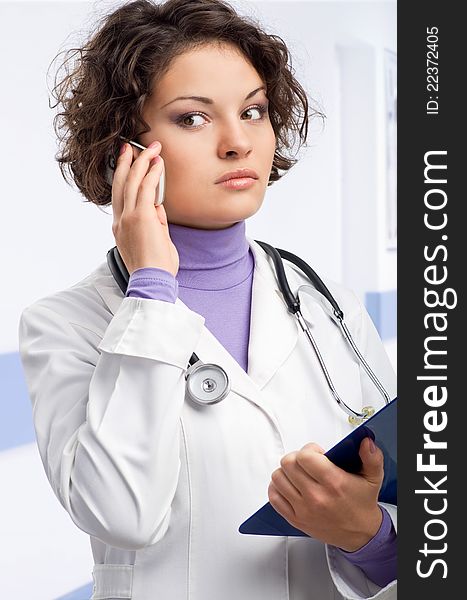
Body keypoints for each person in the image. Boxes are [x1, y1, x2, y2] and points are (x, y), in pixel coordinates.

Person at [18, 1, 397, 599]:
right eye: (193, 119)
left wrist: (369, 536)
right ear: (126, 147)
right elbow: (122, 515)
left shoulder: (332, 308)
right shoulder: (65, 325)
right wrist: (151, 292)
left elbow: (410, 511)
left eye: (253, 111)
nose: (238, 142)